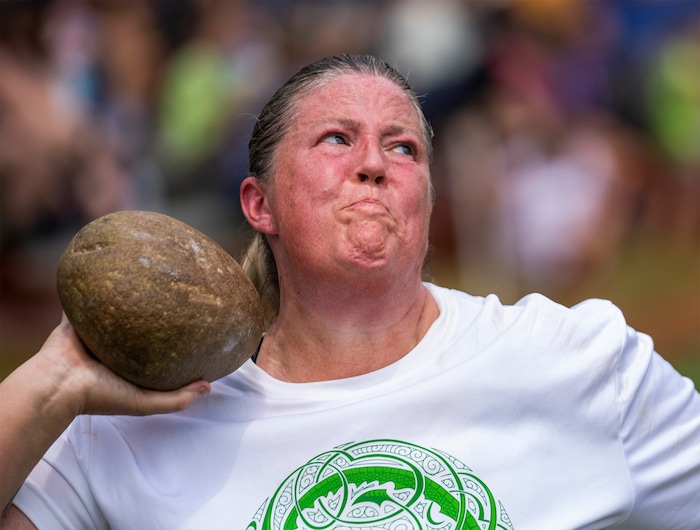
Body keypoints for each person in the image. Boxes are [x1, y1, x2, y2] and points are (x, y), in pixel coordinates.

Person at [1, 54, 699, 530]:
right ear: (259, 204)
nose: (374, 163)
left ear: (426, 198)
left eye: (404, 149)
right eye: (338, 139)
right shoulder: (135, 413)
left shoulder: (577, 362)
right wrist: (50, 383)